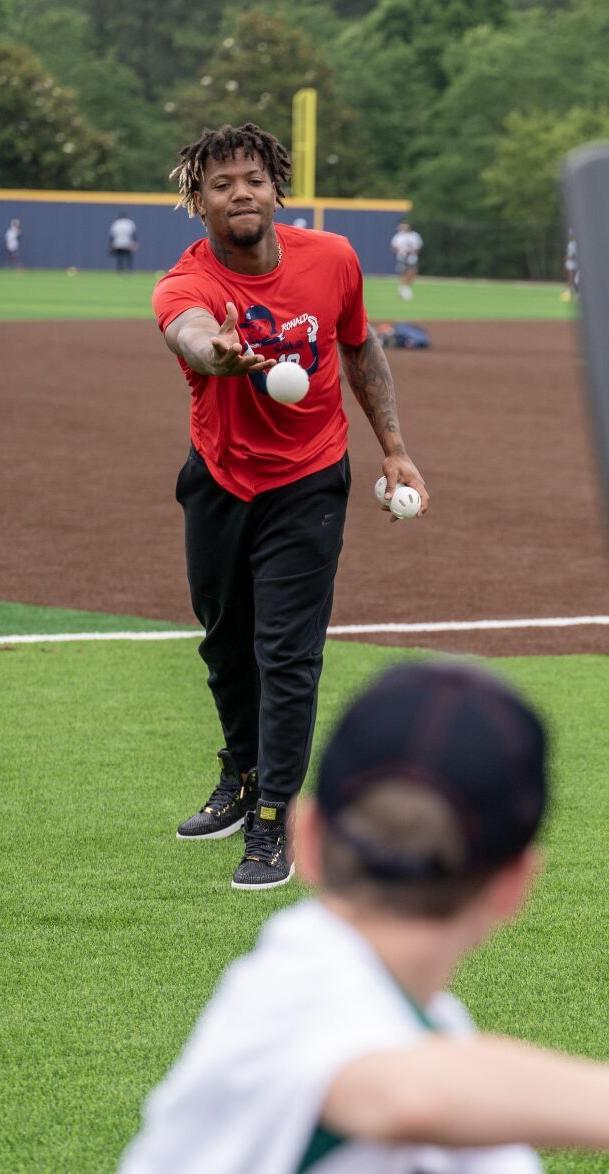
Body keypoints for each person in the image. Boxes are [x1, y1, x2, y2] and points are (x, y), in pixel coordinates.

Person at [121, 661, 609, 1173]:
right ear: (512, 887)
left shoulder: (441, 1052)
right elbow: (405, 1095)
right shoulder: (297, 990)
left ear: (307, 836)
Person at [153, 122, 429, 890]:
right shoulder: (186, 282)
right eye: (220, 184)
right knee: (224, 643)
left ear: (276, 188)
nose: (239, 193)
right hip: (220, 476)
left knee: (287, 653)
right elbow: (191, 333)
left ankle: (275, 813)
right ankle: (242, 774)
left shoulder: (332, 258)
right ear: (198, 203)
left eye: (252, 179)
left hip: (308, 479)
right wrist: (220, 354)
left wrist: (394, 446)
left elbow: (359, 344)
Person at [390, 220, 423, 300]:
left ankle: (404, 287)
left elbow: (418, 246)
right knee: (403, 273)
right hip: (402, 257)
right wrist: (401, 251)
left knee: (412, 273)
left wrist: (413, 252)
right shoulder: (399, 236)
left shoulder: (415, 235)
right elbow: (393, 246)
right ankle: (405, 290)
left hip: (412, 257)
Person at [561, 229, 578, 302]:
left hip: (574, 264)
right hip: (570, 263)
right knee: (571, 279)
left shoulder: (574, 244)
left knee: (573, 279)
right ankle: (570, 292)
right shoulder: (570, 243)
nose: (570, 236)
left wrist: (568, 257)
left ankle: (571, 293)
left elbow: (572, 255)